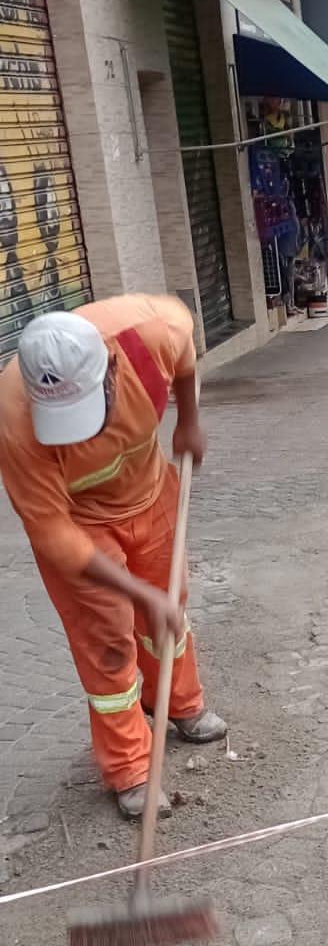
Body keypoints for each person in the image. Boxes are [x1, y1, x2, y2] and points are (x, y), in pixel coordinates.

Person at [0, 296, 227, 821]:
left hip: (150, 490)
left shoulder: (151, 330)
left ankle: (179, 704)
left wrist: (188, 419)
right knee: (106, 638)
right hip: (79, 524)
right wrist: (135, 591)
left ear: (112, 368)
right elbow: (56, 536)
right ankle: (131, 767)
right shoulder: (13, 413)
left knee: (169, 606)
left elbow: (186, 350)